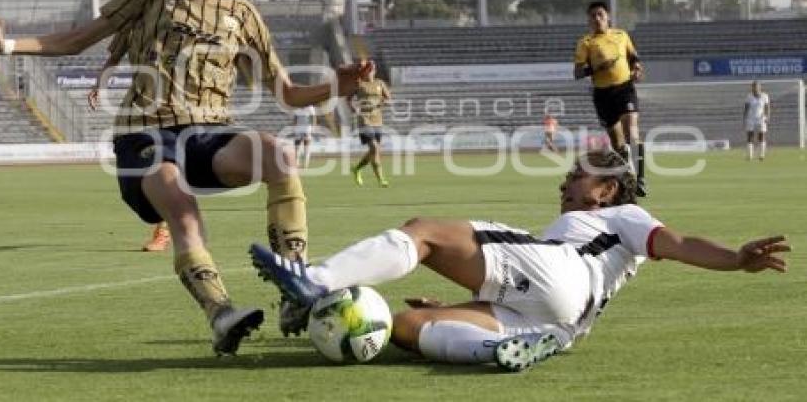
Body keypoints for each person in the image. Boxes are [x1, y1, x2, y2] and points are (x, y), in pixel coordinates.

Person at [0, 0, 371, 354]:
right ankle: (221, 312)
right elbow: (76, 39)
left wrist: (340, 84)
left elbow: (289, 93)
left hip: (207, 136)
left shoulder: (243, 14)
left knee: (278, 155)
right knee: (180, 207)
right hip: (144, 136)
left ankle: (295, 287)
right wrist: (4, 47)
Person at [249, 149, 788, 372]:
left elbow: (679, 242)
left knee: (424, 231)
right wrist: (459, 303)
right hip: (560, 322)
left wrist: (735, 259)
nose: (566, 180)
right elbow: (532, 285)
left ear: (608, 189)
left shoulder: (625, 216)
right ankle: (502, 349)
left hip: (561, 274)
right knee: (408, 325)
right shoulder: (584, 229)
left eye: (578, 175)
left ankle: (313, 278)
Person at [86, 0, 171, 253]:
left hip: (171, 102)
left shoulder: (168, 19)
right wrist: (99, 85)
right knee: (131, 170)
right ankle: (167, 219)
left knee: (165, 164)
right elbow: (112, 59)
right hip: (137, 103)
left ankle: (164, 230)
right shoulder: (128, 27)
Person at [574, 1, 647, 197]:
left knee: (632, 130)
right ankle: (628, 175)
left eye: (600, 14)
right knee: (618, 143)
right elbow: (578, 72)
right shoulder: (586, 43)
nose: (597, 19)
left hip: (625, 88)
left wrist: (637, 69)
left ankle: (640, 178)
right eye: (593, 16)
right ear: (588, 20)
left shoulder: (621, 36)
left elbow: (634, 57)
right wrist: (597, 67)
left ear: (608, 17)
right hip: (603, 94)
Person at [349, 61, 391, 187]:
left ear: (374, 70)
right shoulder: (359, 83)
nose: (369, 72)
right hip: (364, 119)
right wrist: (353, 107)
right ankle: (381, 179)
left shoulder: (380, 83)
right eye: (367, 69)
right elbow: (349, 98)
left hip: (377, 120)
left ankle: (357, 168)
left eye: (371, 69)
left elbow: (388, 98)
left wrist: (382, 103)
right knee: (374, 148)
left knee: (374, 151)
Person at [743, 80, 771, 161]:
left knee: (761, 136)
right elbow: (746, 108)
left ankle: (761, 155)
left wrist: (767, 116)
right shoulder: (749, 96)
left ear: (760, 87)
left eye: (756, 86)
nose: (755, 88)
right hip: (751, 118)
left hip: (761, 118)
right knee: (750, 137)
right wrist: (744, 118)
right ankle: (750, 156)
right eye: (753, 86)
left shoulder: (765, 96)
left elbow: (767, 107)